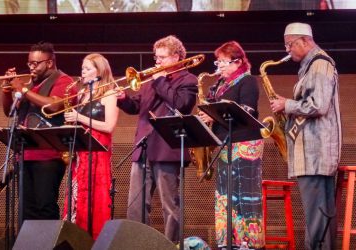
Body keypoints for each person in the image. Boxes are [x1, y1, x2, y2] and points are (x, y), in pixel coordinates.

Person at [116, 35, 198, 242]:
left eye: (162, 57)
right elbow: (137, 107)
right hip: (143, 146)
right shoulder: (149, 81)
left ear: (176, 57)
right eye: (156, 57)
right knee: (136, 204)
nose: (157, 62)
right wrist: (123, 99)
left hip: (167, 148)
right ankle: (138, 244)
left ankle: (172, 245)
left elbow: (182, 105)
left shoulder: (188, 80)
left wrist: (160, 80)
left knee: (169, 205)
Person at [270, 22, 341, 250]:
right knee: (318, 217)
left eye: (290, 44)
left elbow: (318, 105)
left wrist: (287, 104)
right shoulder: (312, 66)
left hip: (316, 154)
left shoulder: (320, 65)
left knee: (317, 217)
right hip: (312, 154)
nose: (287, 50)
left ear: (306, 40)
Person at [198, 41, 265, 249]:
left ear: (237, 62)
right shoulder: (218, 86)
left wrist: (214, 115)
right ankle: (229, 242)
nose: (219, 66)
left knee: (244, 195)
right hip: (225, 143)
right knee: (225, 196)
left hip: (245, 143)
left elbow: (247, 111)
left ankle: (248, 243)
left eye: (223, 62)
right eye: (217, 62)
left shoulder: (248, 81)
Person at [2, 42, 76, 220]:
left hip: (49, 155)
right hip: (25, 154)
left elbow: (54, 105)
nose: (31, 67)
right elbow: (9, 111)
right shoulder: (31, 84)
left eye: (36, 64)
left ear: (49, 63)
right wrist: (6, 91)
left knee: (45, 206)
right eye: (29, 63)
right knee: (27, 209)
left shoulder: (64, 81)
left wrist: (24, 90)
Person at [62, 53, 118, 239]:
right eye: (82, 68)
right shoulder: (83, 94)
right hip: (81, 154)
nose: (82, 72)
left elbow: (109, 127)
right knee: (77, 200)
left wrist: (79, 117)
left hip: (98, 155)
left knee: (96, 200)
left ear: (99, 71)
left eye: (87, 69)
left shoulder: (110, 93)